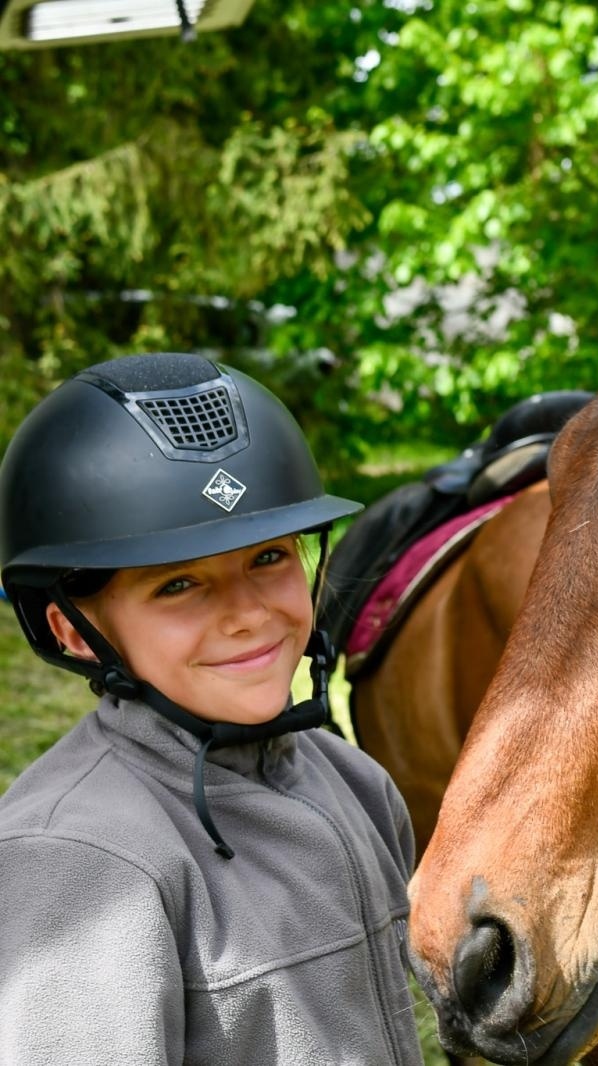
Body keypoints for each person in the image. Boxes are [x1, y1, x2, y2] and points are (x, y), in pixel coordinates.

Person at [0, 353, 424, 1064]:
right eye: (179, 585)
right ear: (72, 628)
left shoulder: (351, 783)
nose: (248, 615)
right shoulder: (77, 861)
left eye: (268, 559)